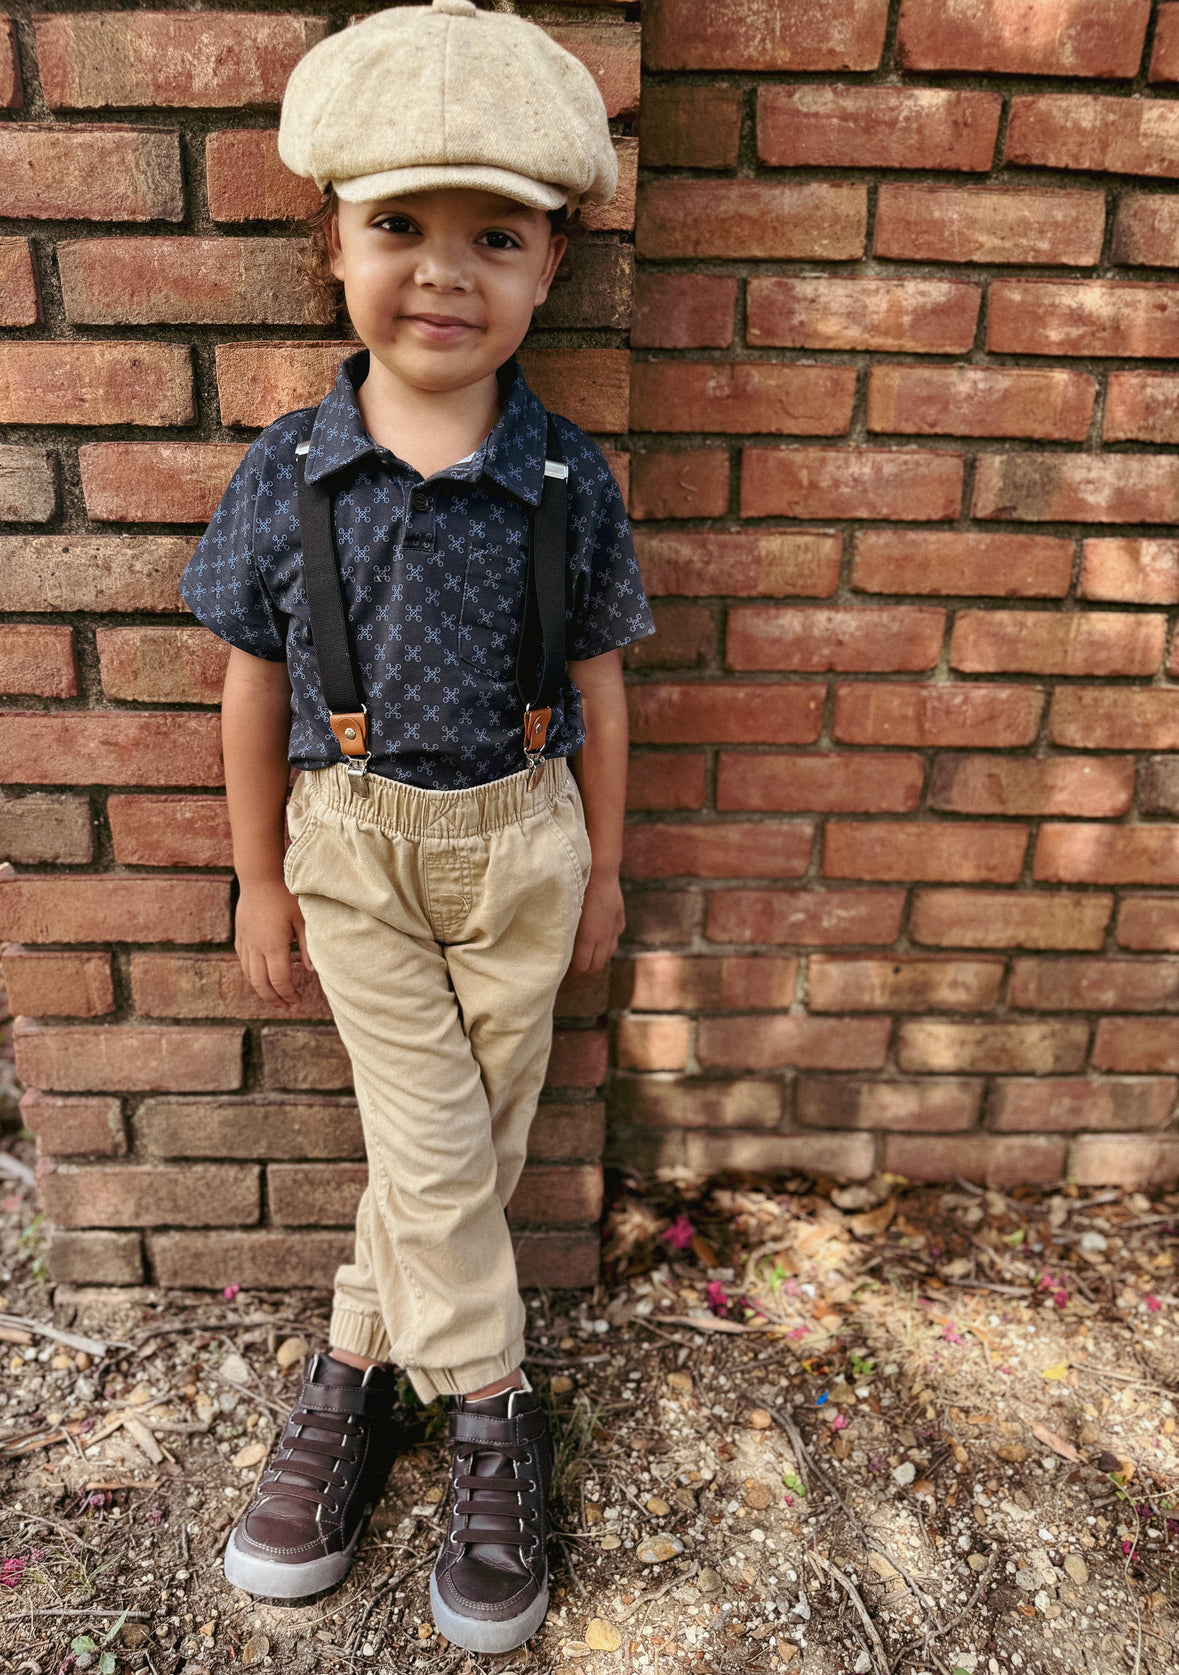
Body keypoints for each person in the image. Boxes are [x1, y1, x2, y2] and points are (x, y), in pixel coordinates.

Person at [176, 0, 654, 1652]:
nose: (443, 273)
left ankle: (355, 1364)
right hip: (352, 845)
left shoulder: (568, 481)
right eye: (400, 227)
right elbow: (247, 686)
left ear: (547, 271)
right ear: (331, 246)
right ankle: (497, 1408)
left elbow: (601, 691)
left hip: (527, 844)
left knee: (463, 1141)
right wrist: (254, 877)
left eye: (493, 237)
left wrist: (602, 867)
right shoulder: (289, 470)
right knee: (441, 1141)